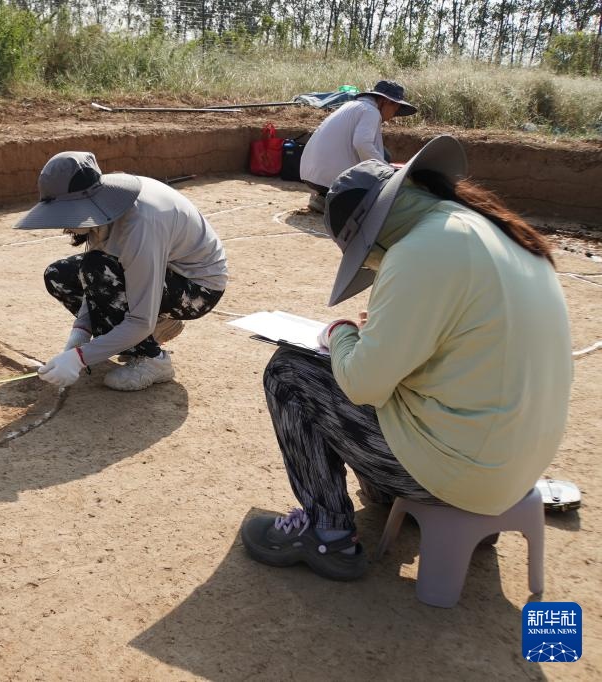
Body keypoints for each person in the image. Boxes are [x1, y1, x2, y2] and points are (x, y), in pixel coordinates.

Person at [242, 136, 573, 580]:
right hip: (512, 468)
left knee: (290, 371)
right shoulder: (489, 228)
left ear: (371, 236)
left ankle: (327, 533)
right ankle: (394, 494)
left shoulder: (420, 249)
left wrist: (341, 333)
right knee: (381, 380)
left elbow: (362, 384)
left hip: (462, 473)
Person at [15, 151, 228, 392]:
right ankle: (153, 329)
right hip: (158, 273)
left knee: (100, 270)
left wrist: (80, 358)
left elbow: (119, 296)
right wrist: (80, 334)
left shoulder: (139, 224)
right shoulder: (102, 208)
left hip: (197, 289)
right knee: (58, 275)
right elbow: (91, 281)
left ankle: (153, 361)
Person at [299, 80, 417, 213]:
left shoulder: (352, 105)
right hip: (329, 179)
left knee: (383, 154)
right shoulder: (371, 112)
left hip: (310, 175)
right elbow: (362, 144)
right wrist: (386, 172)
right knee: (382, 165)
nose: (392, 116)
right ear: (386, 101)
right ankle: (332, 199)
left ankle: (322, 197)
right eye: (395, 109)